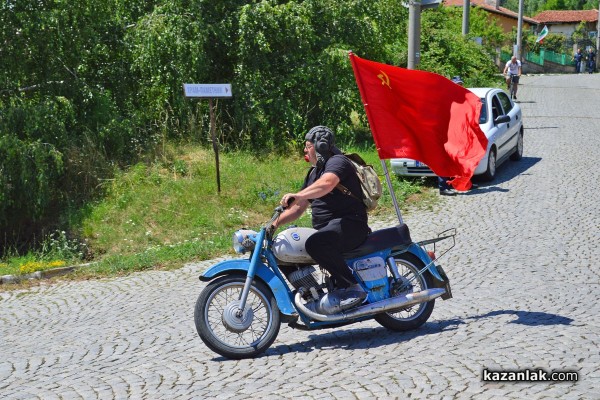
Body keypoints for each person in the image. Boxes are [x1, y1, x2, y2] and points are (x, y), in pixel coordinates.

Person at [271, 126, 369, 314]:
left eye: (308, 146)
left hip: (351, 224)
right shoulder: (313, 173)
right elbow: (298, 208)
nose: (305, 151)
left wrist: (298, 195)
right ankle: (310, 294)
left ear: (320, 146)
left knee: (316, 243)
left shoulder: (338, 162)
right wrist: (274, 224)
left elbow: (327, 184)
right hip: (331, 229)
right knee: (283, 252)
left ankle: (351, 289)